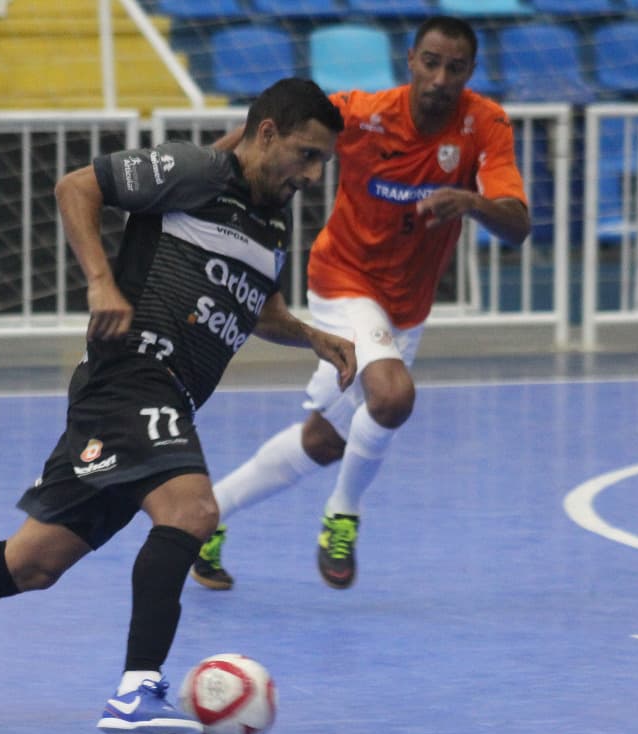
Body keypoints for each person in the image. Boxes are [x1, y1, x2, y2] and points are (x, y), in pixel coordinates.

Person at [0, 77, 353, 734]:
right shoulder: (196, 170)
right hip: (131, 377)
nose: (314, 172)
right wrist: (102, 282)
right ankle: (136, 688)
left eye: (323, 160)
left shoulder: (269, 220)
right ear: (265, 133)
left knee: (33, 563)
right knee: (192, 510)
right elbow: (76, 186)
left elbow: (256, 306)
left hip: (163, 397)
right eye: (306, 154)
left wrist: (311, 335)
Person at [191, 16, 531, 592]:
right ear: (410, 61)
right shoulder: (362, 111)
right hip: (343, 279)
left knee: (326, 440)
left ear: (470, 73)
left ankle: (206, 518)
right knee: (393, 397)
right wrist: (197, 177)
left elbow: (518, 225)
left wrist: (471, 202)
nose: (439, 78)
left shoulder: (486, 124)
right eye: (430, 62)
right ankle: (343, 515)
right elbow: (261, 131)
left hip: (406, 307)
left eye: (454, 67)